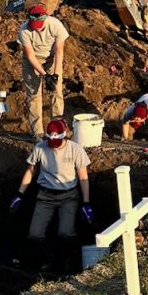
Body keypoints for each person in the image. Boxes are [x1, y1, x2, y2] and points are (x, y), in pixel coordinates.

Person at [10, 118, 93, 275]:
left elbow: (83, 177)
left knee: (65, 233)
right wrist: (19, 194)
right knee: (35, 235)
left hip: (69, 196)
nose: (53, 146)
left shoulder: (75, 150)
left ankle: (68, 261)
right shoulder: (40, 148)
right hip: (45, 196)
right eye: (50, 141)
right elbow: (30, 170)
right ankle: (48, 258)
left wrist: (86, 203)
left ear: (65, 136)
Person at [18, 4, 70, 139]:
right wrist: (45, 75)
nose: (37, 29)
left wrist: (55, 75)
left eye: (39, 26)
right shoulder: (24, 30)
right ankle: (38, 134)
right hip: (32, 61)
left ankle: (58, 129)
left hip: (51, 58)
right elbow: (30, 56)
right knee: (34, 95)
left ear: (45, 19)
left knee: (57, 92)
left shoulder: (56, 25)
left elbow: (59, 51)